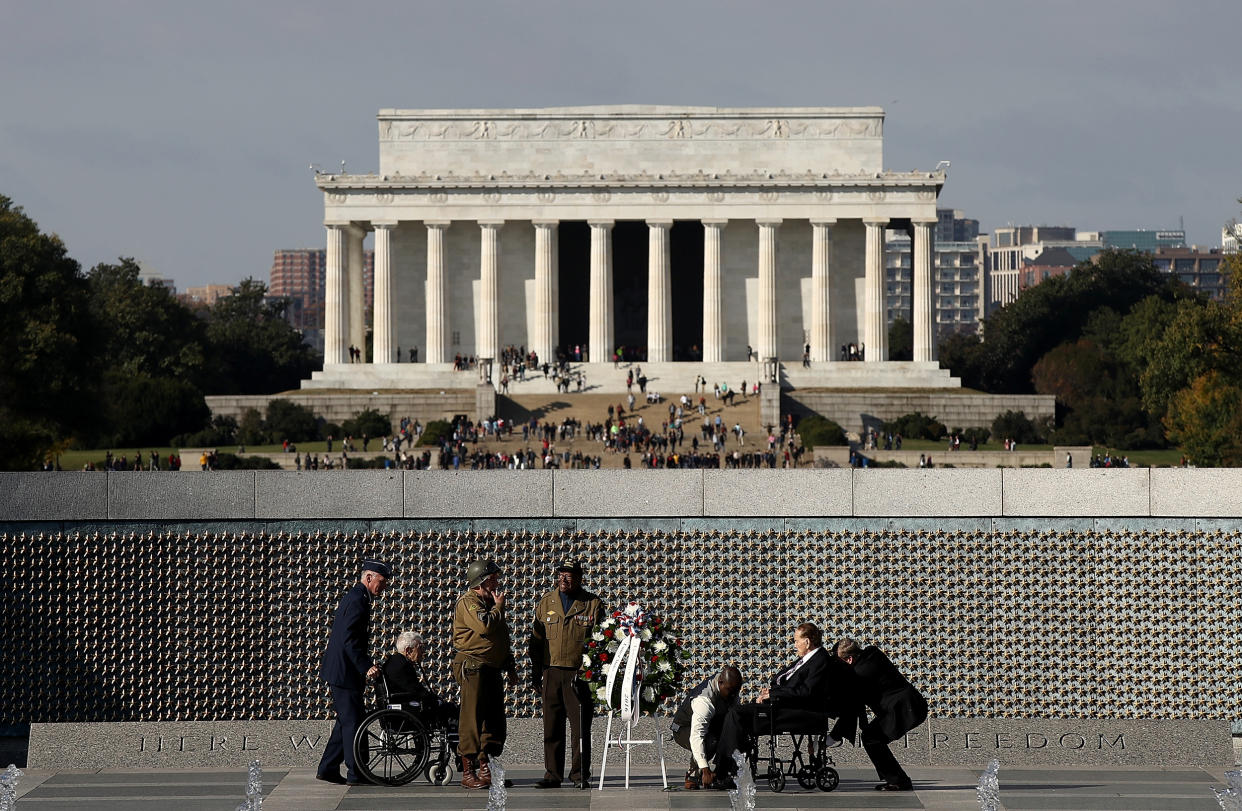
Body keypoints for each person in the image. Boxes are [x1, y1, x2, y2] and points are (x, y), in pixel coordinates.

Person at [712, 623, 860, 787]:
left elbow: (806, 692)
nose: (795, 644)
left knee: (736, 714)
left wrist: (774, 695)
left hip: (797, 712)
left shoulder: (821, 661)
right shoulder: (806, 660)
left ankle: (725, 772)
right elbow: (787, 682)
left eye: (797, 641)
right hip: (782, 705)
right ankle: (724, 769)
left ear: (807, 642)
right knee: (735, 714)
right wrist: (769, 692)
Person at [528, 558, 606, 789]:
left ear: (580, 577)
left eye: (569, 574)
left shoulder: (592, 603)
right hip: (551, 671)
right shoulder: (546, 602)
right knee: (551, 725)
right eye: (561, 573)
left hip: (578, 674)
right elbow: (536, 641)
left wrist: (590, 673)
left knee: (580, 727)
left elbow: (599, 643)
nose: (563, 578)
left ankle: (580, 774)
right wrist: (535, 673)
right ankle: (552, 774)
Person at [316, 559, 391, 786]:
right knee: (353, 723)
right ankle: (356, 773)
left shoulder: (359, 597)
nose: (384, 587)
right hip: (344, 672)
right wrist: (365, 666)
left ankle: (328, 768)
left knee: (346, 721)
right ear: (368, 578)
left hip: (343, 671)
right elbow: (349, 640)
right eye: (382, 582)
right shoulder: (358, 599)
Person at [452, 559, 518, 790]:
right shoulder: (469, 602)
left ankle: (486, 767)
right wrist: (498, 607)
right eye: (493, 579)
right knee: (472, 719)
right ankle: (468, 771)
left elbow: (501, 638)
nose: (497, 582)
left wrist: (510, 667)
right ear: (481, 580)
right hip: (473, 666)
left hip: (491, 667)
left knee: (492, 719)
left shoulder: (489, 602)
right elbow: (485, 627)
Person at [836, 637, 928, 792]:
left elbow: (854, 702)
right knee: (872, 737)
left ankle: (899, 781)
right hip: (910, 704)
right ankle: (895, 779)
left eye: (841, 662)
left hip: (904, 709)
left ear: (850, 659)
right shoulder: (872, 653)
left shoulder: (860, 674)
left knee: (871, 739)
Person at [671, 666, 743, 790]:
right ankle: (693, 776)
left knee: (732, 733)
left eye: (736, 691)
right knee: (710, 742)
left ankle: (721, 773)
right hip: (682, 728)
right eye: (730, 690)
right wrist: (705, 770)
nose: (733, 695)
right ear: (720, 683)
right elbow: (696, 736)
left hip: (710, 725)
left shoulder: (729, 688)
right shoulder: (703, 701)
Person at [382, 631, 457, 728]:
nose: (423, 652)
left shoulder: (393, 661)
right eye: (420, 648)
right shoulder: (403, 666)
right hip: (407, 712)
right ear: (408, 650)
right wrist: (435, 700)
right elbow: (416, 690)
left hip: (400, 708)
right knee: (450, 708)